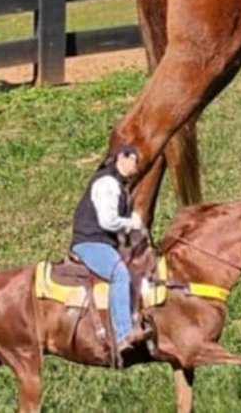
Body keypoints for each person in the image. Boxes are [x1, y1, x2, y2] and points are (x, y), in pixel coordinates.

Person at [70, 145, 150, 362]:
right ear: (121, 158)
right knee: (119, 274)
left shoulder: (118, 186)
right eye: (135, 160)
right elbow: (107, 221)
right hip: (91, 242)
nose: (137, 166)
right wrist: (132, 223)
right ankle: (123, 334)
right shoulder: (107, 183)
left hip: (103, 242)